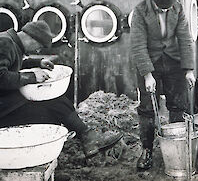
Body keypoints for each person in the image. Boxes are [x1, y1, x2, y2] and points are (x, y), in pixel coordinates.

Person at [0, 20, 122, 158]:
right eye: (39, 47)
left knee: (54, 102)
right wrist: (31, 77)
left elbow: (12, 64)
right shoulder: (5, 43)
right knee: (52, 105)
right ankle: (87, 137)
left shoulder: (11, 42)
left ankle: (87, 137)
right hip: (3, 109)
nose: (37, 50)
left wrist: (37, 62)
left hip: (6, 101)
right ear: (31, 37)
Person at [130, 0, 196, 171]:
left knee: (178, 104)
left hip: (174, 61)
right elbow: (138, 45)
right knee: (147, 108)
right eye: (162, 8)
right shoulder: (141, 11)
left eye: (169, 8)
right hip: (149, 62)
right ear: (153, 0)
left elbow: (185, 38)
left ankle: (178, 147)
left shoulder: (178, 8)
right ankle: (147, 150)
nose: (167, 11)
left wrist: (189, 69)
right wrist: (147, 74)